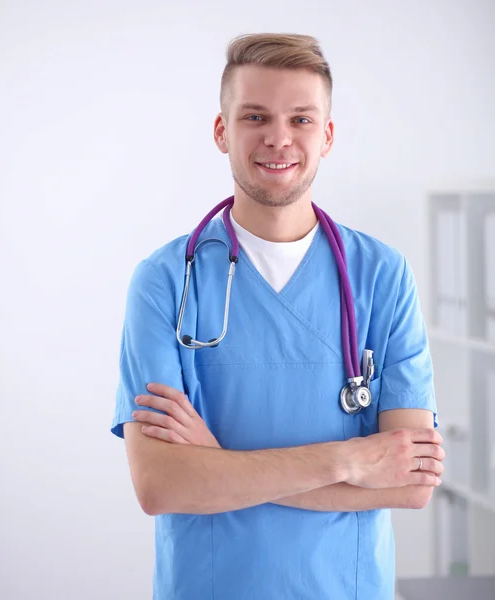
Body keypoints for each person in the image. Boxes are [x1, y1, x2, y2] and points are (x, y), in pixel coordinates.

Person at [111, 32, 445, 600]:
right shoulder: (166, 282)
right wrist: (351, 459)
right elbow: (161, 484)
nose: (278, 138)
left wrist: (219, 467)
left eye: (301, 119)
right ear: (222, 131)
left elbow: (411, 484)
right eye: (255, 116)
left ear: (328, 135)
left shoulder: (383, 278)